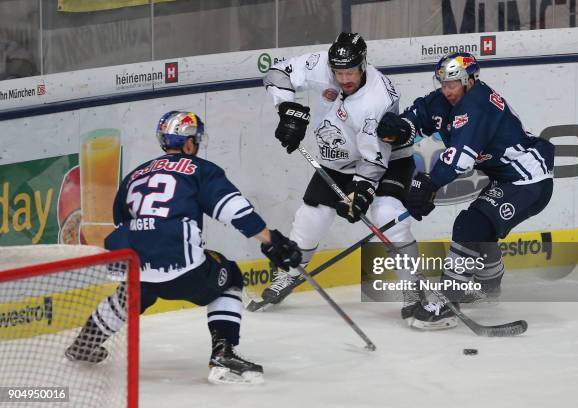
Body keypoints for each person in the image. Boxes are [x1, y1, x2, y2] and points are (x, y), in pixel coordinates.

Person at [65, 111, 302, 384]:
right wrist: (272, 240)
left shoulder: (133, 176)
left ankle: (85, 342)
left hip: (131, 255)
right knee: (230, 276)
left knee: (137, 288)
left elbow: (121, 222)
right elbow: (234, 211)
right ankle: (223, 351)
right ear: (189, 143)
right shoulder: (200, 170)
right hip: (178, 255)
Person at [377, 52, 554, 330]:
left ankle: (448, 301)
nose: (447, 91)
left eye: (453, 84)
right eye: (443, 84)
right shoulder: (445, 99)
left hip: (529, 181)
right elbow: (420, 114)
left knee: (470, 225)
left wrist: (430, 184)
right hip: (505, 179)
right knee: (482, 227)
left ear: (470, 80)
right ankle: (489, 285)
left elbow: (460, 160)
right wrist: (400, 127)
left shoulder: (476, 105)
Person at [262, 32, 419, 315]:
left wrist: (362, 191)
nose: (344, 78)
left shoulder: (377, 99)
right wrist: (286, 109)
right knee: (310, 217)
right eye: (339, 71)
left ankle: (413, 287)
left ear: (363, 64)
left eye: (350, 71)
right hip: (339, 162)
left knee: (388, 217)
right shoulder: (322, 65)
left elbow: (374, 159)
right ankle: (290, 271)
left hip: (387, 162)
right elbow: (277, 73)